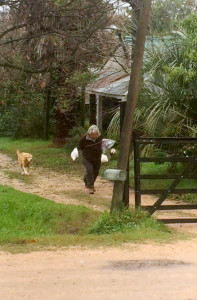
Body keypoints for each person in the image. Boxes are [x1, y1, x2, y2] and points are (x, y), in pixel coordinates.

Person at [78, 125, 102, 194]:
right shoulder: (84, 138)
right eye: (93, 134)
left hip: (97, 157)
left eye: (96, 134)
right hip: (87, 157)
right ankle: (91, 187)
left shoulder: (100, 137)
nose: (95, 136)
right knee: (89, 170)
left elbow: (102, 145)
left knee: (96, 172)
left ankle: (87, 180)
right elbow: (80, 146)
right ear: (89, 134)